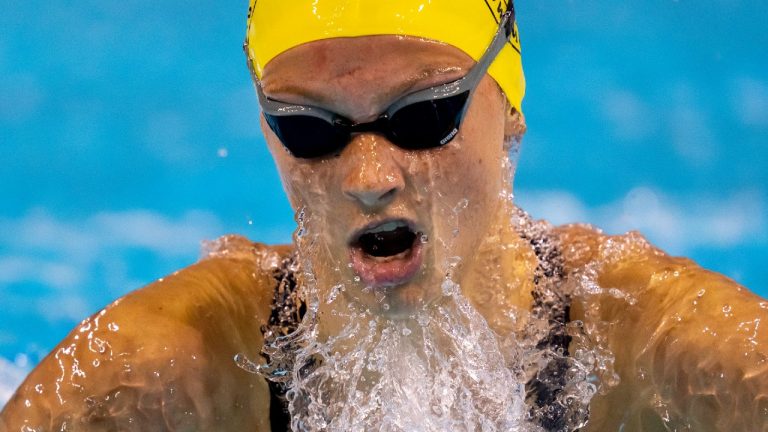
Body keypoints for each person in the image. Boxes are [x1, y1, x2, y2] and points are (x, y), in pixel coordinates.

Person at [2, 1, 767, 431]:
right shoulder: (171, 369)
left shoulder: (655, 349)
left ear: (510, 109)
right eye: (309, 129)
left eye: (424, 116)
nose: (368, 179)